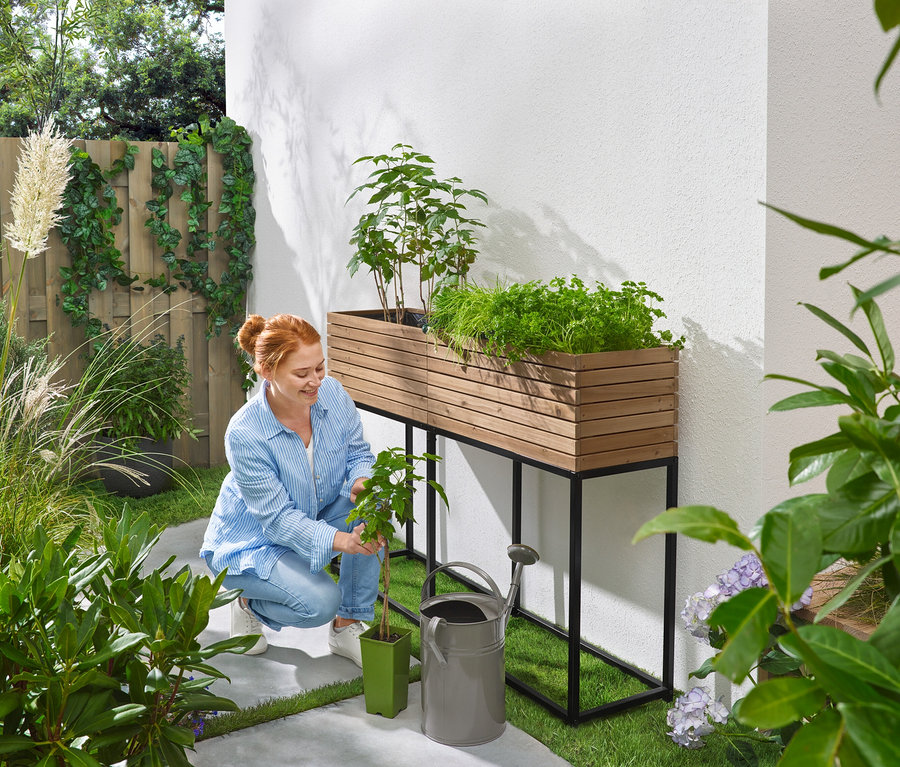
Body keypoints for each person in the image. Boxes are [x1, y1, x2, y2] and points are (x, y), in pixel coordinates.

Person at [200, 313, 382, 666]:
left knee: (378, 502)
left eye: (319, 367)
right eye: (302, 373)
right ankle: (247, 601)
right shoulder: (245, 433)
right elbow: (279, 521)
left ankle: (347, 624)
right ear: (267, 372)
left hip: (313, 513)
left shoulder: (332, 394)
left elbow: (359, 453)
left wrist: (362, 480)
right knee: (318, 603)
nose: (315, 381)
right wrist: (342, 541)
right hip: (253, 543)